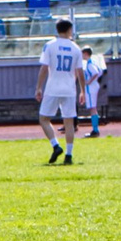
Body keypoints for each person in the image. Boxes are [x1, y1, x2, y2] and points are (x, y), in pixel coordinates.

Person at [37, 18, 83, 165]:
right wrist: (82, 90)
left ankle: (55, 145)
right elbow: (80, 72)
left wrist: (38, 87)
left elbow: (44, 68)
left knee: (44, 119)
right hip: (69, 88)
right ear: (69, 30)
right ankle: (69, 155)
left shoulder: (50, 46)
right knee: (69, 122)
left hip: (53, 87)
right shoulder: (76, 48)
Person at [83, 46, 109, 138]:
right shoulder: (92, 62)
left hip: (91, 87)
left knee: (93, 108)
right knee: (93, 108)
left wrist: (89, 81)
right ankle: (95, 129)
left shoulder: (90, 64)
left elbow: (95, 73)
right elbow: (100, 71)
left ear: (85, 54)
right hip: (93, 86)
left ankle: (95, 130)